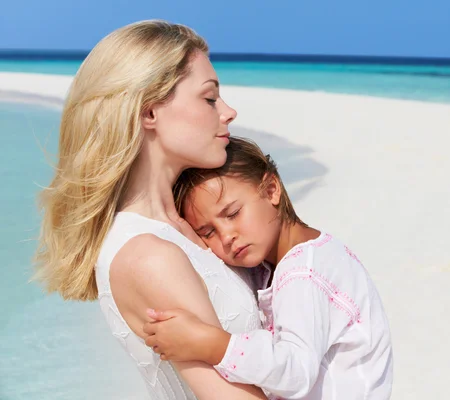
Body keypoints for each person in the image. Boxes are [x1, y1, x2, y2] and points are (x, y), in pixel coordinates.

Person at [34, 20, 268, 399]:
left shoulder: (191, 225)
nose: (228, 111)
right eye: (209, 99)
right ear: (148, 113)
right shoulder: (148, 256)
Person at [143, 137, 394, 399]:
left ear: (272, 189)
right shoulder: (294, 257)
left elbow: (296, 373)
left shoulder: (304, 274)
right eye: (208, 232)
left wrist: (211, 344)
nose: (226, 236)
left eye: (232, 214)